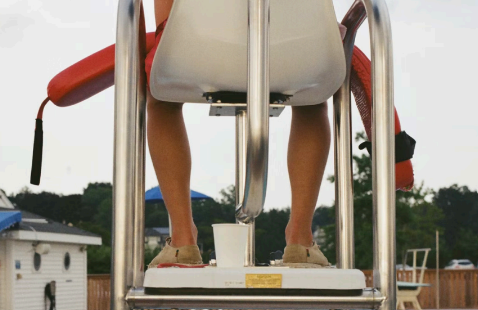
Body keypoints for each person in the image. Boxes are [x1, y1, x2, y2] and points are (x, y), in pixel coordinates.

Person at [146, 0, 331, 268]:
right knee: (313, 95)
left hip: (199, 51)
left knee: (161, 96)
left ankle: (182, 240)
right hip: (291, 51)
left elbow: (166, 24)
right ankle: (300, 240)